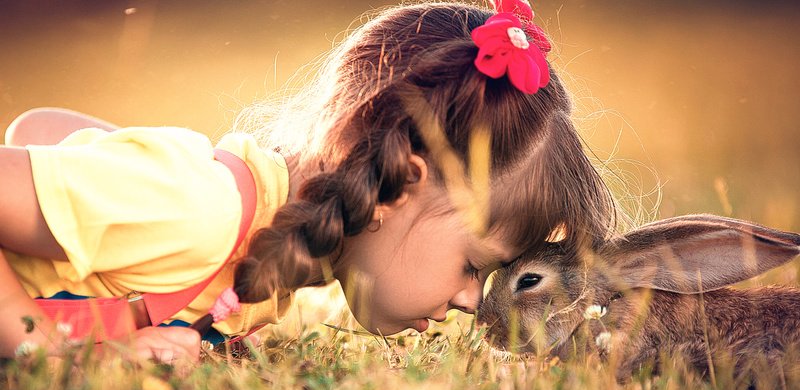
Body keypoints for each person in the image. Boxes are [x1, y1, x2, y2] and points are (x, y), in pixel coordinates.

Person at [0, 1, 620, 362]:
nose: (469, 302)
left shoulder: (286, 269)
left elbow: (38, 125)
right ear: (400, 185)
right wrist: (50, 347)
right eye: (471, 266)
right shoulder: (199, 212)